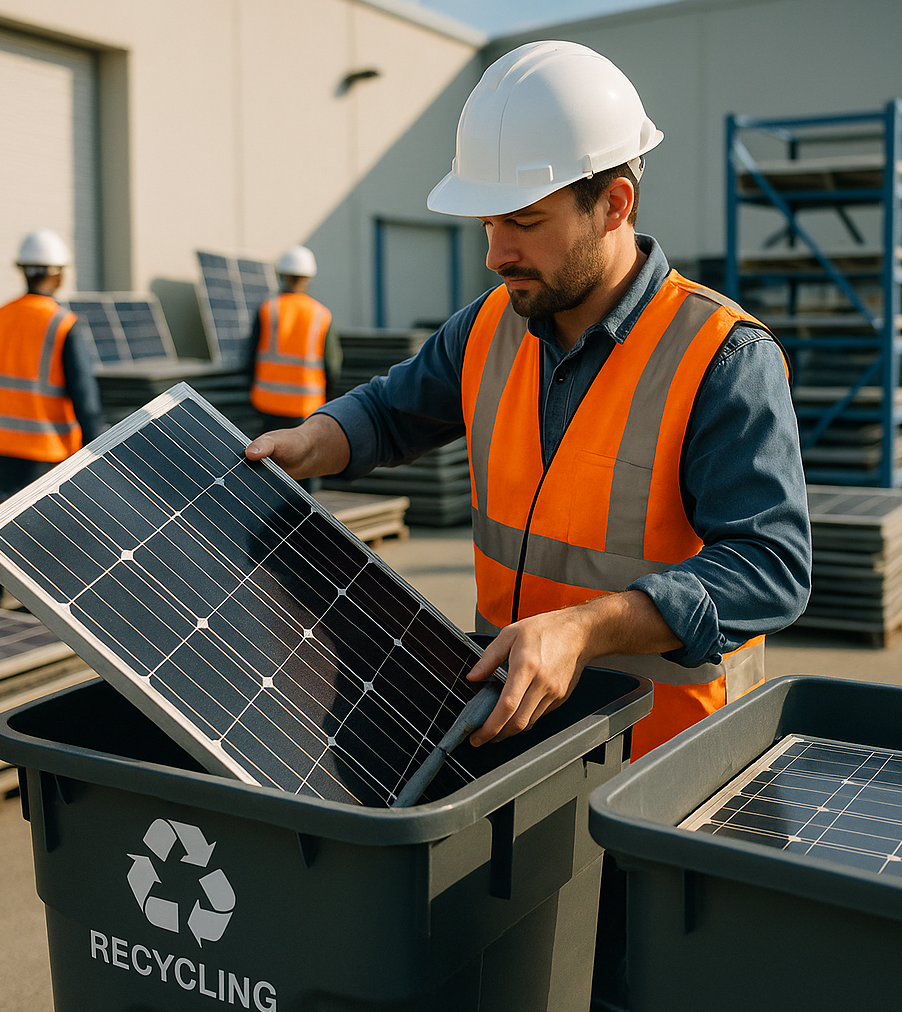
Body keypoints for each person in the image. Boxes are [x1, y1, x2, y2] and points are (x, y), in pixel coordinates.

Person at [245, 41, 811, 760]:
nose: (496, 253)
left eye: (524, 222)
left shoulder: (723, 356)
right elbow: (391, 411)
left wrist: (584, 627)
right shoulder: (489, 325)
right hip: (512, 740)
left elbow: (771, 566)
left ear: (614, 204)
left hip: (660, 762)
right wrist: (313, 438)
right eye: (488, 224)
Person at [0, 229, 103, 606]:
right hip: (46, 448)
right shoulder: (62, 323)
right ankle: (43, 610)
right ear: (59, 273)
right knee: (45, 537)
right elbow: (85, 398)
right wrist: (96, 449)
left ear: (23, 270)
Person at [249, 245, 341, 493]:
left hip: (267, 404)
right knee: (305, 472)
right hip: (305, 407)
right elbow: (332, 366)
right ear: (308, 277)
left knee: (267, 468)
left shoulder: (268, 309)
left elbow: (250, 358)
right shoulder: (321, 314)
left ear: (282, 275)